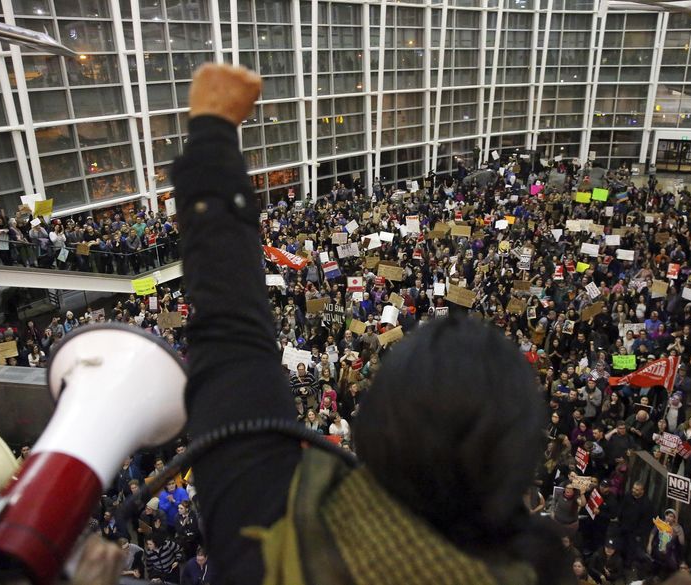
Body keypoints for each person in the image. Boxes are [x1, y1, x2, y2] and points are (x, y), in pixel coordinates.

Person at [176, 63, 569, 585]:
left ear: (374, 431)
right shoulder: (542, 567)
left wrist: (213, 137)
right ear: (520, 464)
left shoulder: (269, 530)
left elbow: (231, 335)